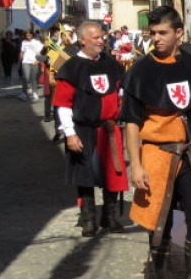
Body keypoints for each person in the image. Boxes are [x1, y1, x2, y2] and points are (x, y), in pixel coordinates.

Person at [122, 6, 191, 279]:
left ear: (179, 34)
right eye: (153, 33)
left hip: (188, 154)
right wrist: (136, 165)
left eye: (163, 33)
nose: (156, 38)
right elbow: (132, 122)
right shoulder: (140, 71)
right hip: (155, 155)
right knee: (157, 226)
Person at [53, 21, 137, 238]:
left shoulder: (110, 63)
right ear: (82, 40)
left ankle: (109, 217)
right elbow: (63, 103)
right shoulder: (71, 68)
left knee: (113, 173)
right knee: (84, 175)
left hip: (108, 128)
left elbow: (120, 90)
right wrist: (70, 133)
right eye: (96, 38)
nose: (101, 41)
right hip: (83, 129)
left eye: (102, 37)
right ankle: (89, 218)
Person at [18, 30, 45, 101]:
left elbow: (41, 52)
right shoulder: (24, 42)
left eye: (29, 34)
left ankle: (34, 93)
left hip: (34, 62)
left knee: (34, 78)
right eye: (26, 35)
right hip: (25, 62)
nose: (28, 36)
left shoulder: (37, 42)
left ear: (32, 35)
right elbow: (22, 52)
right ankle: (24, 94)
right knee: (25, 78)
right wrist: (20, 61)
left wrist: (38, 61)